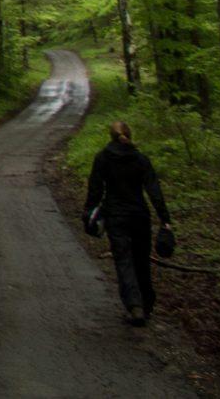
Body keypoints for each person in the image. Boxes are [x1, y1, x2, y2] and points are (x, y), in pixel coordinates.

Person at [84, 120, 173, 326]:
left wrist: (89, 213)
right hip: (140, 216)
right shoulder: (141, 159)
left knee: (123, 260)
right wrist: (165, 219)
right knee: (141, 260)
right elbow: (154, 191)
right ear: (129, 136)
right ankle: (147, 304)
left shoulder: (103, 158)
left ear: (111, 137)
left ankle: (135, 305)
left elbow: (95, 188)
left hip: (116, 217)